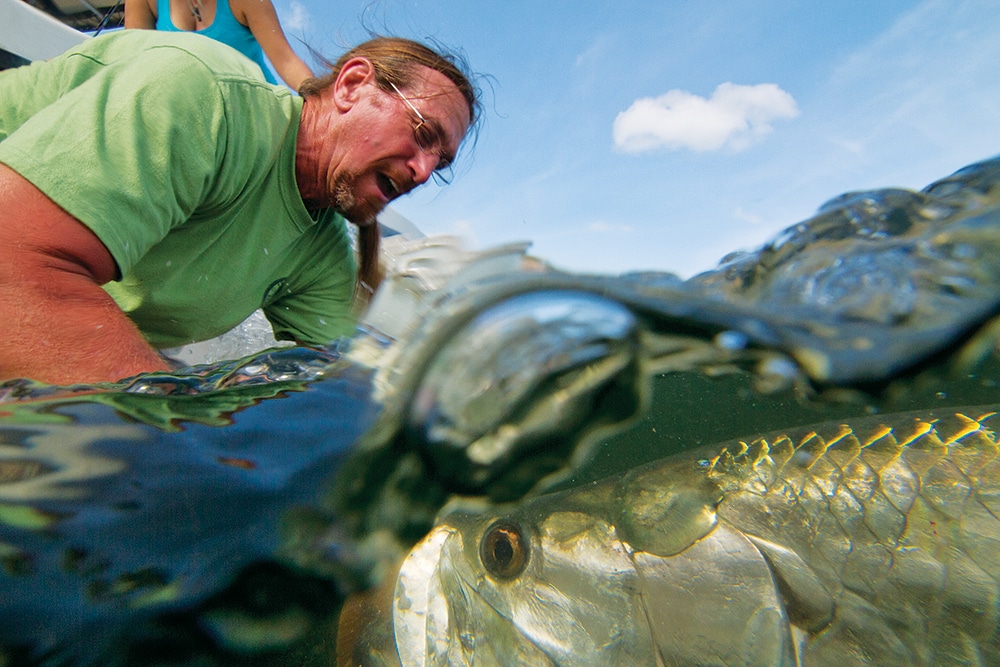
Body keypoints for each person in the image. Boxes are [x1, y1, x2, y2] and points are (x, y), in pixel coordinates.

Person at [0, 29, 479, 385]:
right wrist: (181, 442)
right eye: (422, 134)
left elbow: (339, 386)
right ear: (352, 86)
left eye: (440, 163)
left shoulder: (322, 253)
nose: (422, 171)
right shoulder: (204, 96)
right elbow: (12, 270)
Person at [124, 0, 313, 91]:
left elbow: (287, 61)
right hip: (191, 121)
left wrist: (320, 101)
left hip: (258, 116)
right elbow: (131, 68)